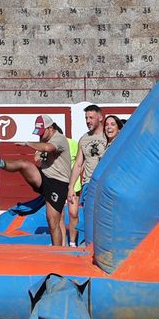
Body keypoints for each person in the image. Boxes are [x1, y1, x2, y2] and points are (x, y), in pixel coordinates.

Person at [0, 116, 72, 246]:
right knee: (24, 164)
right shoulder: (44, 138)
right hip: (44, 177)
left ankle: (58, 251)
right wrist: (39, 153)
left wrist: (28, 144)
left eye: (42, 132)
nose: (40, 136)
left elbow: (48, 148)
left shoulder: (59, 138)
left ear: (50, 128)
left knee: (53, 220)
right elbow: (38, 157)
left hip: (58, 183)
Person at [66, 105, 107, 248]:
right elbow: (78, 164)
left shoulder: (108, 136)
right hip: (89, 183)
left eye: (91, 118)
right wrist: (71, 187)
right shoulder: (83, 139)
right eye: (86, 118)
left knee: (104, 216)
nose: (88, 121)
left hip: (105, 183)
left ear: (100, 118)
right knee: (88, 216)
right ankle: (88, 244)